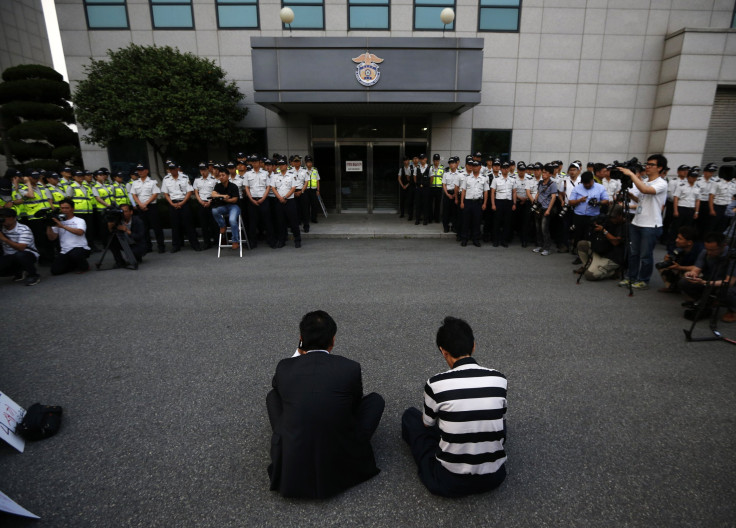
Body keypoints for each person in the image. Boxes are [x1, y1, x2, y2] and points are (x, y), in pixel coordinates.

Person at [266, 310, 384, 498]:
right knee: (376, 400)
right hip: (339, 454)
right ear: (333, 340)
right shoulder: (350, 367)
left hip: (293, 462)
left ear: (301, 339)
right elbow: (354, 404)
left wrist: (298, 353)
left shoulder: (285, 366)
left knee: (273, 396)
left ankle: (286, 439)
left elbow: (277, 388)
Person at [401, 316, 507, 498]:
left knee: (411, 417)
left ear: (443, 351)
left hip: (449, 481)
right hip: (495, 477)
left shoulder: (436, 383)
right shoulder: (499, 379)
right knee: (495, 421)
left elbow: (427, 424)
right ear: (474, 345)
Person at [617, 154, 669, 290]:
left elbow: (646, 190)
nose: (648, 166)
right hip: (637, 222)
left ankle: (643, 279)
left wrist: (630, 174)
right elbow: (641, 200)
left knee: (646, 255)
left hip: (651, 225)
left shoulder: (661, 183)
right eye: (647, 164)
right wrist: (629, 195)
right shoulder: (645, 181)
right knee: (633, 253)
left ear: (660, 168)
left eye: (651, 165)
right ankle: (631, 277)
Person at [575, 204, 625, 281]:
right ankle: (588, 266)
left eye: (613, 217)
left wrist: (603, 231)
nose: (611, 219)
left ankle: (613, 272)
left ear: (620, 215)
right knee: (582, 244)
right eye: (610, 217)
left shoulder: (625, 225)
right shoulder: (608, 221)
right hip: (601, 251)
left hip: (612, 258)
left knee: (589, 275)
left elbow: (616, 242)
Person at [160, 162, 201, 252]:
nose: (172, 171)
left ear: (177, 169)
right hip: (173, 203)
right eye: (170, 169)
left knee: (189, 224)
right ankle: (176, 246)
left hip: (184, 202)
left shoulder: (184, 178)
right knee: (175, 225)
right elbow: (166, 194)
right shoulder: (166, 179)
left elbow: (189, 191)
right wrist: (172, 203)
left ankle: (195, 244)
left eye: (174, 169)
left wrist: (182, 202)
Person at [46, 199, 91, 275]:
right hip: (65, 250)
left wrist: (63, 226)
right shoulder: (58, 221)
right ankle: (74, 264)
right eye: (62, 208)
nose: (64, 210)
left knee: (75, 254)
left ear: (72, 209)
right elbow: (52, 238)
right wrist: (48, 225)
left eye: (67, 208)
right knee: (55, 271)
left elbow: (80, 232)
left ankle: (85, 266)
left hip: (81, 248)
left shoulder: (79, 220)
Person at [129, 163, 166, 254]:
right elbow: (134, 195)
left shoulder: (153, 182)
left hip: (151, 206)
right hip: (140, 207)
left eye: (142, 170)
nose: (140, 172)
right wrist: (140, 204)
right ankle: (147, 246)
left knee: (156, 227)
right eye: (138, 170)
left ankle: (161, 246)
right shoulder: (135, 183)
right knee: (143, 228)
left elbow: (155, 194)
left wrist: (145, 204)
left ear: (147, 171)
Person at [0, 207, 41, 285]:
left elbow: (21, 248)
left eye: (5, 218)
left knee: (21, 255)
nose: (3, 221)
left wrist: (4, 239)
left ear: (13, 218)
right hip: (9, 256)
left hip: (26, 254)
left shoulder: (23, 229)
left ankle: (33, 275)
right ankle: (18, 271)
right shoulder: (2, 228)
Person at [656, 225, 702, 293]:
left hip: (694, 271)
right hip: (680, 267)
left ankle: (694, 294)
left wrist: (679, 267)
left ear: (689, 242)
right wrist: (667, 259)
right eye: (677, 237)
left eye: (680, 239)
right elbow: (670, 256)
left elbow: (698, 267)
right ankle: (671, 287)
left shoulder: (700, 250)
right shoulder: (677, 245)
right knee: (663, 265)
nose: (676, 240)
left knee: (696, 275)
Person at [211, 167, 241, 250]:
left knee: (232, 220)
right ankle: (222, 225)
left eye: (223, 175)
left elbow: (235, 199)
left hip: (234, 206)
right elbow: (213, 194)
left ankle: (235, 240)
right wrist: (223, 196)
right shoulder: (218, 185)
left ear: (228, 176)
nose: (221, 177)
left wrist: (228, 200)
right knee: (214, 210)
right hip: (223, 207)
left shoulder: (233, 186)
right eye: (220, 175)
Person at [459, 160, 488, 247]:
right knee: (466, 222)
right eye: (473, 166)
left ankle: (476, 239)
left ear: (480, 167)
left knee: (477, 222)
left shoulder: (484, 178)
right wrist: (462, 202)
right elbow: (463, 190)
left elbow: (485, 191)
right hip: (468, 202)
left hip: (478, 203)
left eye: (477, 166)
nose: (475, 167)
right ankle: (464, 239)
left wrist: (485, 203)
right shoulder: (467, 178)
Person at [532, 164, 559, 256]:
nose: (543, 174)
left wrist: (549, 210)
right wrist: (535, 201)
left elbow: (553, 197)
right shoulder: (540, 183)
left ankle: (547, 248)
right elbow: (538, 193)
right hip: (538, 208)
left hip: (546, 209)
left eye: (546, 173)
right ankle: (539, 245)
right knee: (537, 228)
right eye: (543, 172)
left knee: (544, 229)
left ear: (550, 174)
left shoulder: (552, 184)